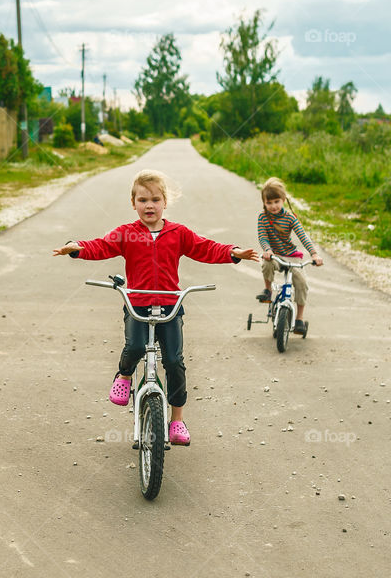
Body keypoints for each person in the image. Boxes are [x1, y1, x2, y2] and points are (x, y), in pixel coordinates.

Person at [53, 169, 258, 446]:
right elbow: (101, 246)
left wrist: (232, 252)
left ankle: (177, 420)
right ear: (133, 202)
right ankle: (124, 375)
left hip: (170, 307)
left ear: (165, 202)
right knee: (135, 348)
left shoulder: (178, 233)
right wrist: (76, 247)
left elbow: (205, 247)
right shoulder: (126, 233)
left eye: (155, 199)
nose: (149, 205)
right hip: (137, 305)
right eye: (142, 200)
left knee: (174, 361)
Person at [255, 177, 323, 335]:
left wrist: (314, 254)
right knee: (266, 263)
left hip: (292, 256)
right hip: (274, 255)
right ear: (264, 203)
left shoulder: (290, 218)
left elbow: (303, 236)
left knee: (302, 283)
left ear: (283, 200)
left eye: (277, 201)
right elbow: (262, 236)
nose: (273, 206)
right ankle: (267, 291)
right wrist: (267, 250)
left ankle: (299, 319)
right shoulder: (263, 218)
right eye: (269, 203)